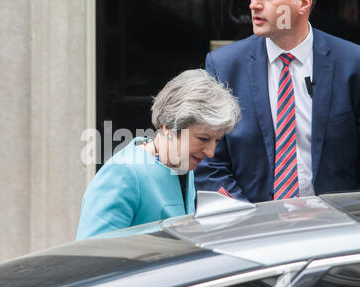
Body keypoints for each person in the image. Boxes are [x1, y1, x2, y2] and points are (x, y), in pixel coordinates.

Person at [195, 0, 360, 202]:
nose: (254, 5)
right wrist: (247, 216)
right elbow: (208, 161)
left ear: (304, 3)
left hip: (335, 226)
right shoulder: (224, 66)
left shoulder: (352, 63)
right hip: (252, 225)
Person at [76, 69, 241, 240]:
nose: (211, 152)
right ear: (168, 127)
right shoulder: (123, 173)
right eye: (203, 139)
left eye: (217, 141)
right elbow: (91, 255)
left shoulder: (182, 165)